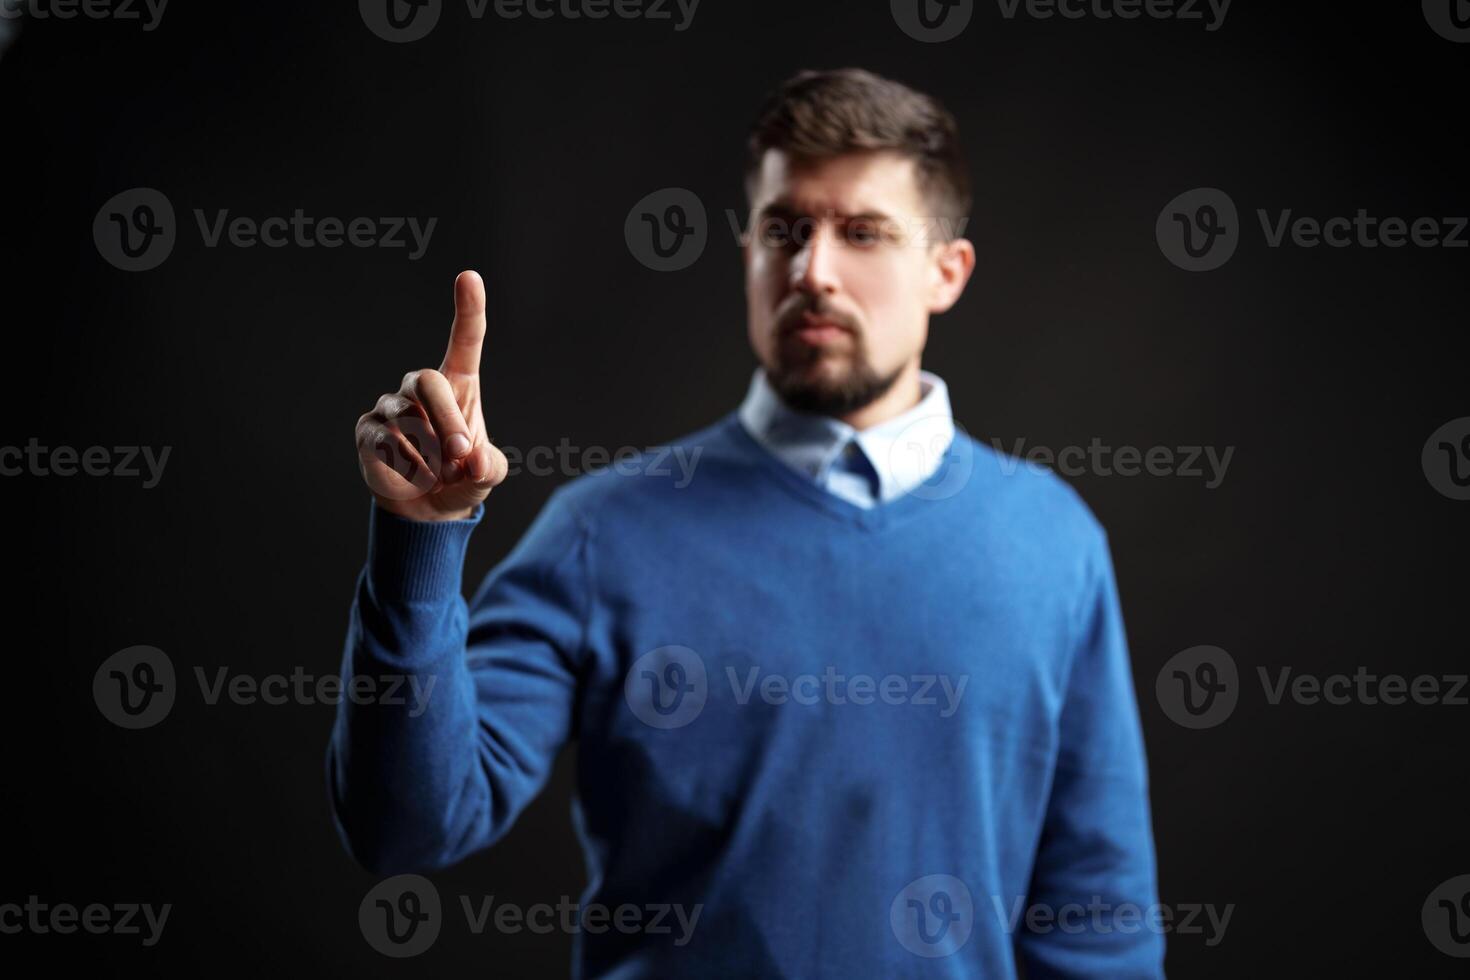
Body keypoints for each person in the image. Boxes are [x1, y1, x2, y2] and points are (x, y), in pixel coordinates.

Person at [327, 67, 1165, 978]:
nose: (814, 270)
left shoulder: (1054, 543)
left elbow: (1096, 918)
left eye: (863, 233)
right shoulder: (603, 533)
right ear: (749, 256)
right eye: (785, 229)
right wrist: (418, 538)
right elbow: (408, 825)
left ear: (946, 271)